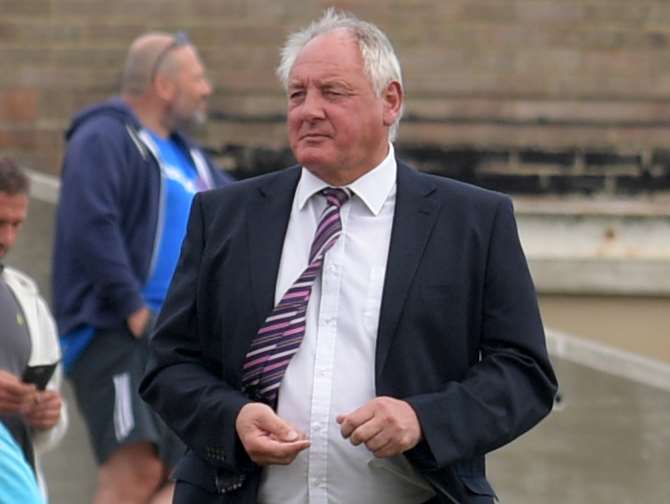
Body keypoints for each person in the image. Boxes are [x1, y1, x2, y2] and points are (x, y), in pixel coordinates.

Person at [140, 9, 558, 504]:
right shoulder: (223, 216)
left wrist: (423, 419)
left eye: (332, 93)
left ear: (390, 101)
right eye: (297, 94)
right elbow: (169, 365)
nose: (308, 110)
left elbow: (523, 373)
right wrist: (231, 418)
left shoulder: (472, 221)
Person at [52, 31, 233, 504]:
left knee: (180, 479)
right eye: (198, 78)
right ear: (164, 85)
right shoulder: (105, 137)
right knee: (134, 471)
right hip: (115, 332)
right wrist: (132, 308)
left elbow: (243, 211)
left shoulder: (192, 157)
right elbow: (91, 223)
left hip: (172, 342)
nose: (207, 89)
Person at [0, 157, 67, 502]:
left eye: (16, 224)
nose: (6, 238)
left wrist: (48, 415)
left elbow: (50, 419)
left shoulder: (29, 299)